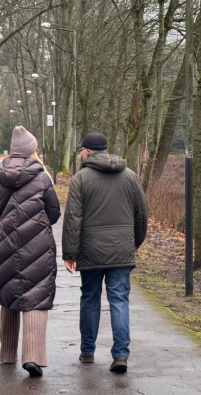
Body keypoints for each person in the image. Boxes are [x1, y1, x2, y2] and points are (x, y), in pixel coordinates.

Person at [62, 132, 148, 373]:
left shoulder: (80, 178)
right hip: (122, 248)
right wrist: (136, 242)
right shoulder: (130, 176)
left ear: (88, 151)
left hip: (90, 250)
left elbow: (73, 218)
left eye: (82, 150)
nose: (81, 153)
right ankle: (120, 354)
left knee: (90, 298)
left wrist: (70, 253)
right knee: (119, 300)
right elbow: (141, 212)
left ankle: (87, 352)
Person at [0, 126, 60, 378]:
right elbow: (54, 212)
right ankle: (33, 357)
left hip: (3, 244)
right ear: (32, 149)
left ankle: (7, 354)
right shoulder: (41, 176)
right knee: (36, 296)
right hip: (37, 245)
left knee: (8, 295)